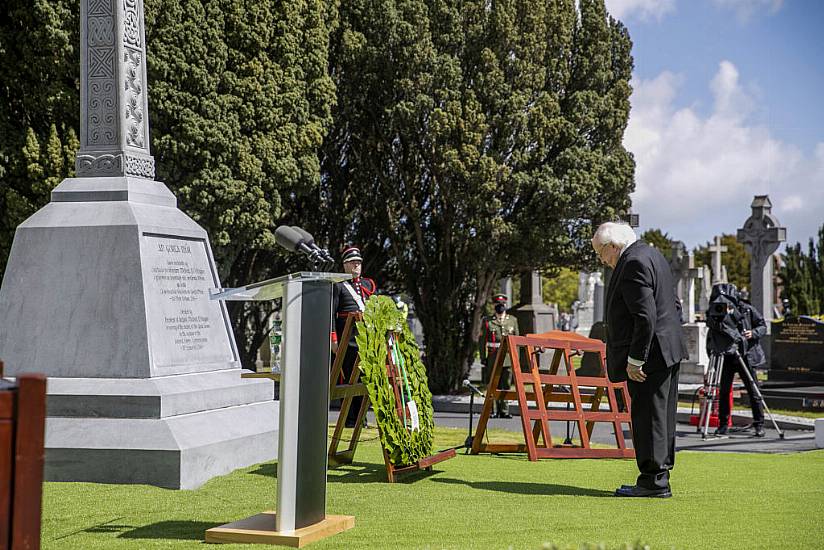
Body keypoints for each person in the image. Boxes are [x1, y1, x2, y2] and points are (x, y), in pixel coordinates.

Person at [592, 222, 688, 498]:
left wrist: (636, 359)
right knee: (661, 415)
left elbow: (645, 316)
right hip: (667, 348)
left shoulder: (632, 262)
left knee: (648, 416)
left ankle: (653, 480)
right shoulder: (653, 255)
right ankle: (658, 476)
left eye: (601, 253)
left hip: (650, 353)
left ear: (613, 246)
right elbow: (673, 304)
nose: (603, 260)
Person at [332, 246, 376, 427]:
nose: (357, 265)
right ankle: (350, 420)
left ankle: (362, 418)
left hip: (366, 341)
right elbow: (331, 315)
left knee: (366, 380)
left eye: (358, 262)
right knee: (349, 380)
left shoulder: (366, 285)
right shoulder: (338, 286)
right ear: (345, 265)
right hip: (347, 342)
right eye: (353, 262)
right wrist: (333, 340)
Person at [715, 288, 767, 437]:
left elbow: (763, 325)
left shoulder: (748, 309)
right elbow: (716, 328)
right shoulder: (721, 311)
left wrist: (753, 333)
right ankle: (723, 424)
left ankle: (759, 424)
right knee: (724, 391)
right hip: (728, 354)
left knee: (753, 390)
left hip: (746, 355)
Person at [479, 293, 520, 418]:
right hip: (493, 357)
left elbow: (516, 341)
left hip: (507, 358)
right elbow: (482, 342)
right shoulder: (487, 321)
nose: (500, 307)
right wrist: (483, 357)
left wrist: (515, 358)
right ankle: (492, 410)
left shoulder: (512, 320)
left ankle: (504, 410)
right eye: (498, 305)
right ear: (494, 306)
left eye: (502, 305)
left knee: (506, 384)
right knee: (492, 384)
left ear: (505, 306)